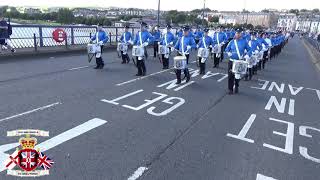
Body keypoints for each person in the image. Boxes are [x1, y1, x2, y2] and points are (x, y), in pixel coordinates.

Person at [225, 29, 252, 94]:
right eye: (237, 33)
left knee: (237, 75)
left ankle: (236, 85)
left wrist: (248, 55)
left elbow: (250, 50)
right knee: (230, 75)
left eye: (239, 33)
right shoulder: (231, 41)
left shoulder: (244, 42)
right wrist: (228, 53)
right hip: (232, 61)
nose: (237, 34)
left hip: (239, 61)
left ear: (241, 34)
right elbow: (226, 49)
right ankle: (230, 89)